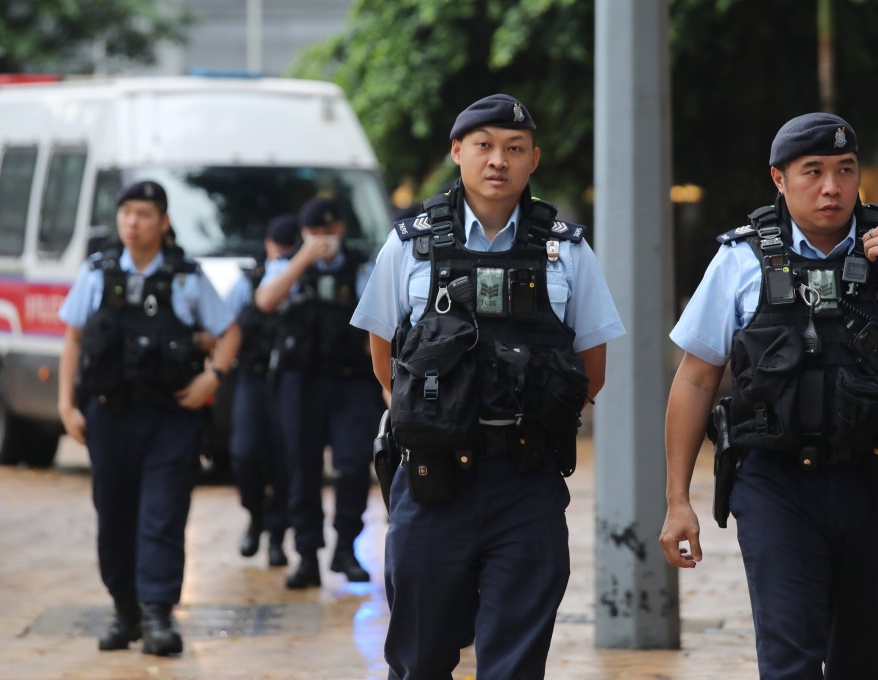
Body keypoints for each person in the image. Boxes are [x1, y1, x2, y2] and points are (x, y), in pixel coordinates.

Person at [658, 113, 878, 679]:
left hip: (875, 484)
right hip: (776, 484)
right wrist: (678, 500)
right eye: (813, 171)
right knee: (789, 657)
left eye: (845, 170)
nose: (831, 187)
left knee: (863, 657)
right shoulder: (741, 258)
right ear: (779, 179)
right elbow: (696, 378)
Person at [350, 93, 625, 679]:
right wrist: (434, 419)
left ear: (533, 161)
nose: (498, 160)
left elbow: (591, 369)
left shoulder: (568, 251)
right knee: (419, 656)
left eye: (514, 149)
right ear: (458, 153)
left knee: (515, 659)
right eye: (484, 146)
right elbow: (384, 358)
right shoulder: (410, 244)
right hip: (432, 482)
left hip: (527, 483)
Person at [58, 180, 241, 656]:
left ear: (163, 221)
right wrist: (65, 405)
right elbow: (73, 339)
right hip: (109, 416)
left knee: (162, 515)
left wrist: (213, 376)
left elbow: (229, 331)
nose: (132, 223)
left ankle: (158, 615)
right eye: (126, 214)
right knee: (114, 516)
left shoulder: (186, 276)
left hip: (170, 418)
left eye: (143, 214)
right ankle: (125, 613)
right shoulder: (97, 272)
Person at [255, 196, 382, 588]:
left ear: (340, 230)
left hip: (351, 381)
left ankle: (345, 546)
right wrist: (302, 260)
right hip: (301, 381)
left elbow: (381, 320)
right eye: (314, 234)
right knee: (302, 467)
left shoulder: (362, 267)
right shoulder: (287, 265)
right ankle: (307, 554)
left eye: (328, 233)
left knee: (355, 461)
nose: (323, 241)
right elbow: (265, 301)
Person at [226, 214, 299, 568]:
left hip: (289, 380)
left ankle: (277, 534)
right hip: (253, 378)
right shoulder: (249, 280)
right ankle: (255, 514)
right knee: (245, 454)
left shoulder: (306, 277)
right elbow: (226, 325)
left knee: (285, 459)